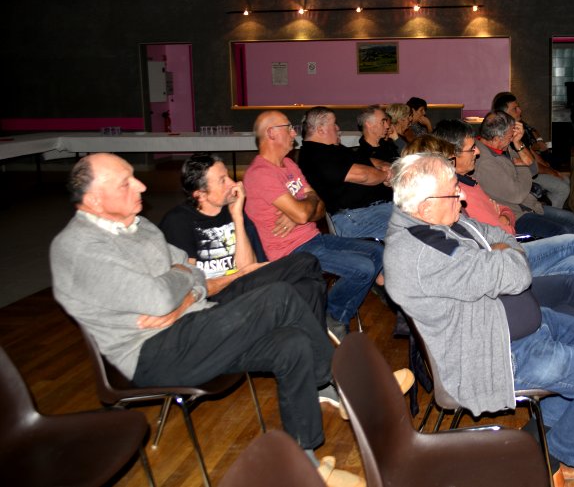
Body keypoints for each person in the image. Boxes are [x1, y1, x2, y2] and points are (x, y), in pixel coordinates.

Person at [49, 153, 365, 487]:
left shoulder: (138, 226)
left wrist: (184, 295)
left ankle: (306, 462)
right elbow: (160, 297)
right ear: (94, 199)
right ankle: (342, 384)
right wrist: (180, 282)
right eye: (126, 182)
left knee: (293, 343)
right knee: (279, 296)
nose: (141, 185)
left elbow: (193, 273)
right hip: (153, 353)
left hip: (194, 322)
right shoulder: (79, 248)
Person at [383, 153, 574, 483]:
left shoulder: (439, 221)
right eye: (453, 191)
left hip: (512, 326)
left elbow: (498, 234)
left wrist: (502, 253)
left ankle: (540, 432)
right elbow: (517, 274)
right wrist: (502, 257)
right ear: (425, 207)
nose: (462, 197)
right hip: (500, 354)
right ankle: (549, 457)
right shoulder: (424, 254)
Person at [427, 121, 574, 339]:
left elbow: (503, 208)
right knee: (573, 243)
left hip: (511, 237)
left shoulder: (469, 180)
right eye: (471, 148)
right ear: (452, 155)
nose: (477, 151)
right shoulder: (454, 192)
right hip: (507, 255)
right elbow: (502, 218)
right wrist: (505, 216)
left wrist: (504, 215)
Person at [243, 110, 383, 339]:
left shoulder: (289, 164)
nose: (293, 133)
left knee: (378, 252)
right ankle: (333, 316)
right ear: (271, 133)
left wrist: (303, 208)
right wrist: (304, 208)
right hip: (291, 252)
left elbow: (319, 206)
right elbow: (304, 211)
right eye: (288, 128)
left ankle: (328, 314)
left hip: (314, 239)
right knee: (363, 268)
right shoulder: (260, 174)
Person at [159, 153, 328, 328]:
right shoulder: (178, 222)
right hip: (214, 297)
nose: (233, 183)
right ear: (200, 195)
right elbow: (189, 286)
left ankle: (310, 338)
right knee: (304, 267)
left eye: (228, 176)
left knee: (309, 279)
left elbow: (248, 267)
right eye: (222, 180)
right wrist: (238, 276)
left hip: (242, 284)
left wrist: (237, 216)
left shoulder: (232, 210)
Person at [474, 111, 574, 238]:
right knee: (563, 231)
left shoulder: (501, 147)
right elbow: (517, 195)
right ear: (497, 139)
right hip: (513, 215)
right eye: (510, 136)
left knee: (571, 219)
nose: (512, 138)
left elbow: (533, 168)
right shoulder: (484, 162)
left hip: (527, 206)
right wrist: (522, 165)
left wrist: (518, 143)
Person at [296, 106, 393, 240]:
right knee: (411, 233)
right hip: (356, 217)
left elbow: (366, 160)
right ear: (320, 129)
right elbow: (363, 175)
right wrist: (386, 175)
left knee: (421, 221)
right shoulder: (314, 155)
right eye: (334, 124)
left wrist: (385, 166)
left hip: (377, 209)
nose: (338, 128)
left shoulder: (335, 149)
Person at [492, 91, 570, 208]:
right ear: (504, 114)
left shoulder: (518, 127)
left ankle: (548, 208)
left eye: (518, 107)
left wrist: (548, 168)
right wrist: (552, 172)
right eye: (515, 109)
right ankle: (549, 214)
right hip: (522, 175)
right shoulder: (505, 135)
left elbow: (531, 153)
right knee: (563, 188)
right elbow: (530, 165)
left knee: (565, 180)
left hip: (531, 171)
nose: (520, 110)